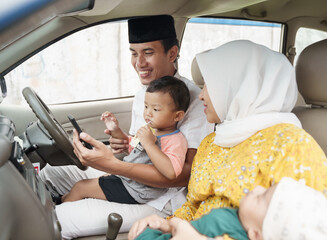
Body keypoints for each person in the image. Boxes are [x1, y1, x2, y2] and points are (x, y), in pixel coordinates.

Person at [129, 40, 327, 237]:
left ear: (240, 88)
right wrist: (166, 225)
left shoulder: (292, 146)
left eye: (210, 86)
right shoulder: (212, 142)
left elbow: (299, 232)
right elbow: (193, 205)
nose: (201, 96)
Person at [39, 15, 211, 239]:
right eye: (133, 53)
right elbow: (141, 147)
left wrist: (112, 165)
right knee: (51, 173)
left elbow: (182, 176)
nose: (139, 63)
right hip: (130, 177)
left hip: (158, 197)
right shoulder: (144, 94)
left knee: (54, 221)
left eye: (148, 53)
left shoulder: (194, 100)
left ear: (172, 53)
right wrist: (121, 146)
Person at [62, 76, 190, 203]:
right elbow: (132, 148)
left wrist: (150, 144)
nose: (148, 113)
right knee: (88, 185)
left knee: (81, 187)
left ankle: (60, 211)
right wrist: (116, 131)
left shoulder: (176, 140)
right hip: (127, 179)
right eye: (146, 107)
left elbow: (171, 172)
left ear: (177, 116)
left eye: (155, 109)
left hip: (138, 190)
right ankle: (61, 200)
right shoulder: (148, 130)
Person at [129, 177, 327, 240]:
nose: (257, 187)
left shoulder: (223, 225)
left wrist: (149, 233)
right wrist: (168, 226)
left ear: (255, 234)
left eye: (262, 197)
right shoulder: (238, 225)